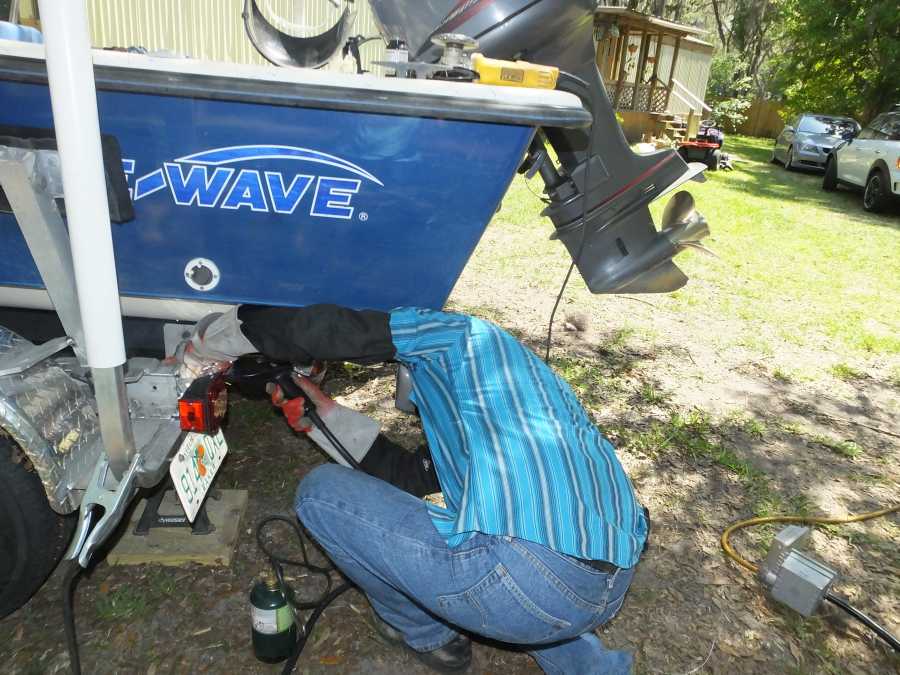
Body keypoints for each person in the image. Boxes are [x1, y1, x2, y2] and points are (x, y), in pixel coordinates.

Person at [188, 304, 649, 674]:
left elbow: (326, 327)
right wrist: (320, 412)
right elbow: (407, 475)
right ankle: (588, 665)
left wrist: (221, 335)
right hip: (606, 587)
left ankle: (431, 637)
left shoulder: (456, 337)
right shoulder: (514, 400)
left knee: (320, 493)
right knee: (541, 568)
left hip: (518, 584)